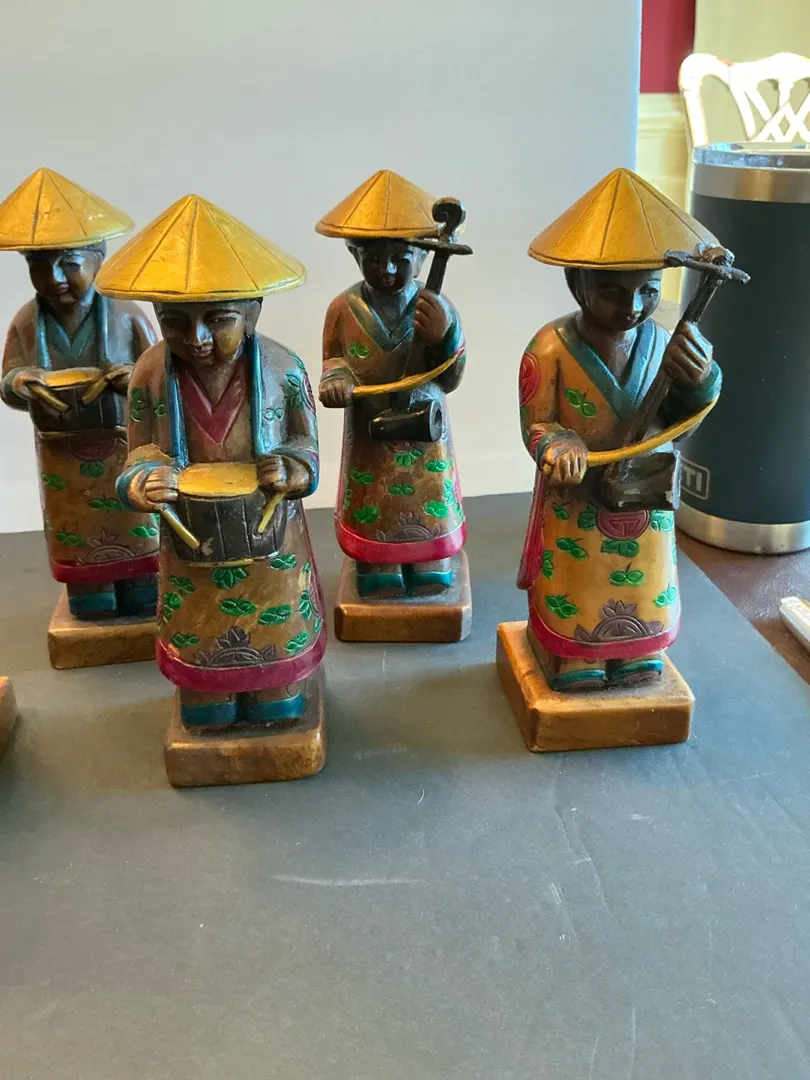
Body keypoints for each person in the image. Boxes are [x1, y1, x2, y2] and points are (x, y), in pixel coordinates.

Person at [98, 194, 325, 730]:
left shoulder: (284, 367)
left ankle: (274, 684)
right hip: (191, 533)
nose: (196, 339)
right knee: (201, 644)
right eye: (176, 322)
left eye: (218, 319)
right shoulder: (150, 373)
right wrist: (142, 479)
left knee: (272, 621)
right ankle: (206, 690)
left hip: (267, 531)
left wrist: (295, 467)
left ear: (252, 312)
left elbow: (304, 440)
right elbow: (139, 448)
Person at [518, 168, 722, 691]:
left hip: (644, 498)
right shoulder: (549, 348)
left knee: (643, 579)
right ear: (577, 282)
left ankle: (637, 647)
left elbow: (681, 422)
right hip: (579, 499)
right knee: (577, 580)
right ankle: (574, 650)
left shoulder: (665, 343)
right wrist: (558, 442)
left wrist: (699, 381)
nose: (631, 307)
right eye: (611, 292)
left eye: (647, 291)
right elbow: (536, 422)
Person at [0, 168, 157, 619]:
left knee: (134, 516)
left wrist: (130, 378)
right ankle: (88, 589)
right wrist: (21, 382)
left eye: (68, 263)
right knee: (75, 522)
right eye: (39, 265)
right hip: (61, 454)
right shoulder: (26, 321)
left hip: (123, 444)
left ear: (97, 259)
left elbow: (160, 376)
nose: (54, 277)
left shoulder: (127, 315)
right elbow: (9, 378)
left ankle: (143, 581)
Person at [316, 170, 467, 598]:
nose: (386, 270)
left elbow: (451, 376)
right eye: (373, 259)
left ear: (422, 257)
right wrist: (337, 380)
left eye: (401, 259)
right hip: (371, 432)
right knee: (374, 498)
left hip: (423, 429)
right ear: (354, 254)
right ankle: (376, 561)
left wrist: (444, 336)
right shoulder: (342, 309)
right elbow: (333, 360)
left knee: (426, 495)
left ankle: (431, 557)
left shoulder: (436, 306)